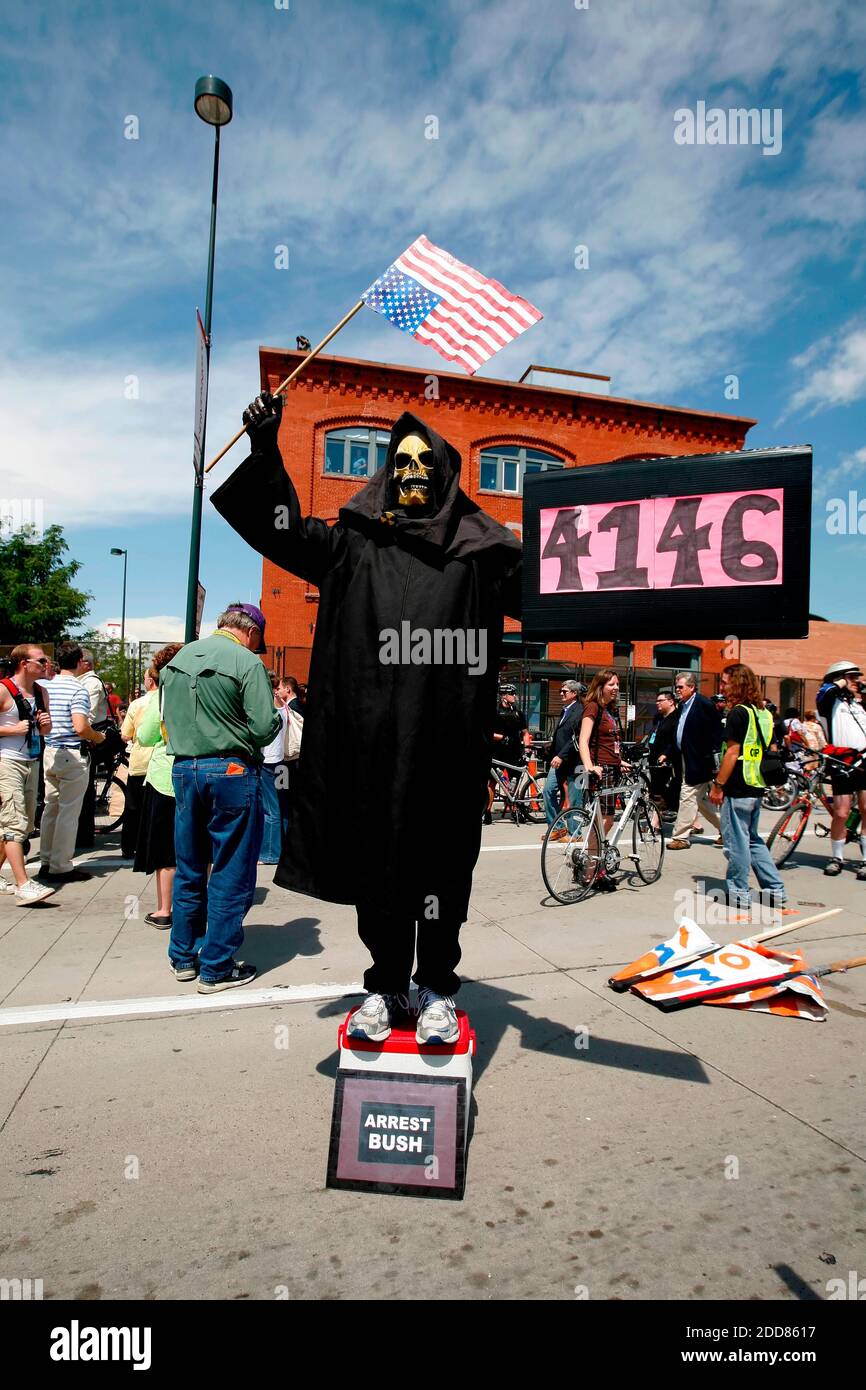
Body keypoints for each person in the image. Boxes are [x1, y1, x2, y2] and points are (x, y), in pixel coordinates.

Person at [210, 393, 522, 1043]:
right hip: (371, 742)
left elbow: (563, 587)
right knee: (375, 868)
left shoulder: (482, 551)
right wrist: (265, 448)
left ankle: (437, 988)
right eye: (397, 461)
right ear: (385, 476)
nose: (410, 470)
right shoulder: (353, 542)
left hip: (442, 745)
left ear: (442, 475)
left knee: (438, 871)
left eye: (421, 461)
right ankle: (385, 985)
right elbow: (282, 529)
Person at [158, 605, 281, 990]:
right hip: (230, 770)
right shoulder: (246, 662)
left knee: (190, 864)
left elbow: (164, 722)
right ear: (253, 634)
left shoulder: (177, 659)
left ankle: (183, 956)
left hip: (183, 768)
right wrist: (274, 716)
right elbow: (263, 728)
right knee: (231, 869)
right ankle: (216, 966)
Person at [709, 663, 787, 911]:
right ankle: (775, 890)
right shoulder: (763, 713)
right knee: (753, 840)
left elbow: (732, 752)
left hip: (737, 784)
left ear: (737, 683)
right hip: (756, 784)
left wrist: (718, 785)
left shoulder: (738, 713)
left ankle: (739, 893)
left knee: (736, 842)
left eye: (724, 682)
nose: (721, 687)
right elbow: (772, 748)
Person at [37, 644, 105, 884]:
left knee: (50, 808)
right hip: (72, 753)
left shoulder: (45, 686)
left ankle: (46, 860)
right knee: (68, 812)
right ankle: (61, 865)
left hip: (50, 750)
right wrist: (97, 737)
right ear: (79, 661)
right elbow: (81, 726)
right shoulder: (78, 689)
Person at [0, 644, 54, 905]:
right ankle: (23, 884)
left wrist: (44, 726)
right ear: (24, 663)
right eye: (41, 660)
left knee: (25, 823)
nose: (45, 664)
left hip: (31, 760)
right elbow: (15, 729)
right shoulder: (3, 689)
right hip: (6, 762)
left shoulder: (41, 692)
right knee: (14, 822)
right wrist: (12, 730)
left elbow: (45, 730)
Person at [133, 644, 183, 928]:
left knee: (166, 849)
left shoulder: (161, 695)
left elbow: (146, 734)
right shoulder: (202, 690)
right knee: (199, 846)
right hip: (198, 776)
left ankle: (165, 909)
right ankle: (197, 905)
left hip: (165, 777)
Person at [816, 661, 866, 880]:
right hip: (842, 761)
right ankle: (837, 857)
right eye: (852, 677)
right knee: (841, 812)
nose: (857, 681)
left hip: (864, 760)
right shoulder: (830, 700)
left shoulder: (859, 703)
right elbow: (824, 694)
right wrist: (841, 682)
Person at [576, 668, 624, 891]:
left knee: (606, 821)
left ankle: (594, 867)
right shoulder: (593, 706)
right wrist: (589, 766)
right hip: (599, 770)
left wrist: (619, 761)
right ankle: (590, 871)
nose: (615, 688)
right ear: (601, 686)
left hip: (611, 768)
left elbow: (609, 741)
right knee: (602, 822)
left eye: (617, 684)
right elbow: (583, 740)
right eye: (611, 684)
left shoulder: (610, 709)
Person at [666, 672, 723, 850]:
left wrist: (713, 761)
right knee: (701, 802)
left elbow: (716, 735)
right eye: (676, 687)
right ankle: (729, 832)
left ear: (692, 687)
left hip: (700, 760)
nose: (677, 690)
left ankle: (681, 837)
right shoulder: (683, 705)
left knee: (688, 795)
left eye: (681, 687)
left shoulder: (704, 705)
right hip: (685, 758)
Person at [120, 668, 157, 860]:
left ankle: (129, 845)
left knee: (134, 806)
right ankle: (151, 844)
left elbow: (126, 734)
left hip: (140, 760)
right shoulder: (169, 700)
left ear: (150, 681)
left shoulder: (137, 704)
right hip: (161, 761)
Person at [544, 680, 585, 840]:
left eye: (564, 691)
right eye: (561, 691)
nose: (561, 693)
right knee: (548, 790)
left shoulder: (580, 710)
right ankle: (558, 828)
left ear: (574, 694)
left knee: (575, 800)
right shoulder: (565, 710)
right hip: (559, 761)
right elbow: (561, 735)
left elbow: (575, 737)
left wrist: (561, 755)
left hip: (576, 762)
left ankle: (576, 833)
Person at [260, 671, 290, 865]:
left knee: (270, 808)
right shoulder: (284, 705)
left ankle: (271, 853)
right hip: (283, 760)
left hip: (268, 761)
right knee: (282, 805)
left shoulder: (267, 704)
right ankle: (283, 847)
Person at [647, 688, 681, 814]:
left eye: (661, 700)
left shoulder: (677, 717)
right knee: (657, 790)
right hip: (654, 757)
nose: (657, 703)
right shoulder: (658, 718)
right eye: (656, 701)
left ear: (671, 701)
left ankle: (656, 823)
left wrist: (666, 754)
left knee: (660, 791)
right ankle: (694, 822)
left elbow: (675, 740)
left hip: (668, 760)